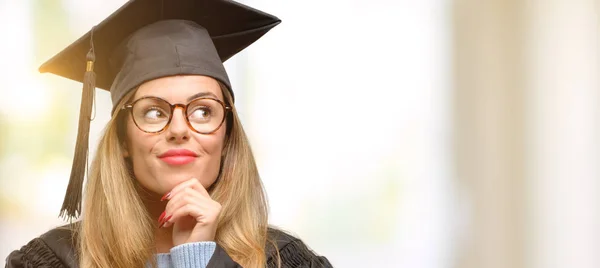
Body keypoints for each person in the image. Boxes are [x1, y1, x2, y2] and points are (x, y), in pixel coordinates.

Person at [4, 0, 332, 267]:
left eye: (203, 111)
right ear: (122, 140)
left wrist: (199, 261)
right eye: (153, 112)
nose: (178, 129)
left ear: (227, 137)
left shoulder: (286, 261)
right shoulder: (51, 261)